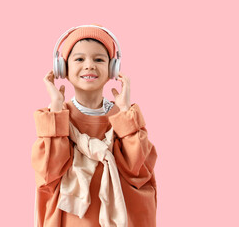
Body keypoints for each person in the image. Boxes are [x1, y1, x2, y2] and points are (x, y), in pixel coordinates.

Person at [31, 24, 157, 227]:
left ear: (112, 69)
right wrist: (55, 108)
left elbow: (139, 170)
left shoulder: (123, 117)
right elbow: (49, 171)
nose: (89, 65)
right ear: (62, 68)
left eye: (99, 59)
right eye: (79, 59)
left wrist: (125, 111)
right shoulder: (57, 117)